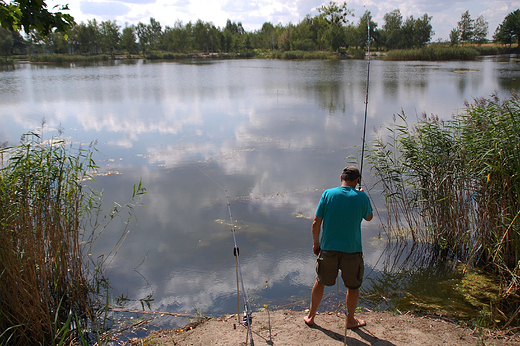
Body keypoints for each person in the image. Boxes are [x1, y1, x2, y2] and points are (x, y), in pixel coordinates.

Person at [303, 166, 373, 328]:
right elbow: (369, 218)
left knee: (320, 282)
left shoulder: (328, 194)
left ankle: (311, 316)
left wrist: (316, 243)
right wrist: (362, 195)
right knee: (353, 286)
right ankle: (350, 320)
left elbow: (316, 222)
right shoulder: (361, 196)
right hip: (353, 250)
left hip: (328, 248)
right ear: (356, 181)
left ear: (341, 178)